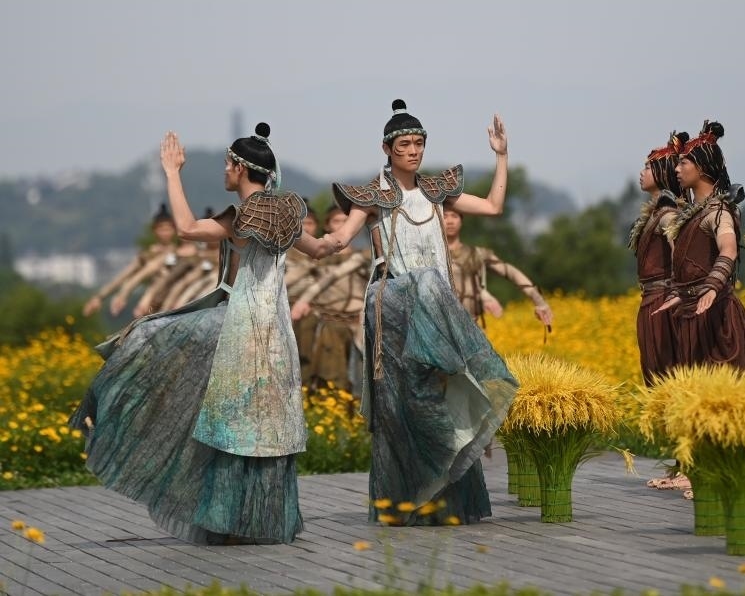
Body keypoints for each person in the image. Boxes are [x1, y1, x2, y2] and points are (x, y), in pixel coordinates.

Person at [69, 123, 344, 544]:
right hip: (276, 332)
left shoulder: (238, 217)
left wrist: (172, 172)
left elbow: (186, 228)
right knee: (267, 424)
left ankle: (228, 520)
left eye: (227, 164)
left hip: (239, 327)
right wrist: (358, 217)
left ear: (239, 168)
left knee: (219, 411)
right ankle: (261, 520)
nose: (224, 171)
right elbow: (323, 248)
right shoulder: (284, 216)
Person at [328, 99, 518, 526]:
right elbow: (338, 241)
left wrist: (501, 156)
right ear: (387, 149)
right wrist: (302, 242)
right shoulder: (373, 197)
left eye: (418, 144)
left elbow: (493, 207)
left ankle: (444, 502)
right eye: (404, 145)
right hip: (395, 309)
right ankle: (403, 502)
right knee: (401, 407)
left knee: (440, 401)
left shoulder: (436, 191)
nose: (413, 152)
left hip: (435, 310)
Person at [654, 120, 745, 369]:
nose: (676, 169)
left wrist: (711, 287)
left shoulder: (717, 213)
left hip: (716, 318)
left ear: (701, 168)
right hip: (692, 315)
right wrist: (680, 293)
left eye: (683, 163)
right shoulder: (693, 214)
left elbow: (729, 248)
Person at [629, 132, 687, 491]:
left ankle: (689, 465)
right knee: (660, 379)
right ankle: (680, 463)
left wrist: (680, 292)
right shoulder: (656, 213)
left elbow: (683, 252)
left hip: (665, 301)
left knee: (673, 378)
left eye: (648, 167)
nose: (642, 172)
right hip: (651, 300)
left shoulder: (668, 215)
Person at [291, 205, 371, 392]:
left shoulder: (365, 258)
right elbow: (298, 282)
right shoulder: (316, 260)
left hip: (358, 326)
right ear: (327, 225)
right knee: (329, 383)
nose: (342, 225)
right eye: (337, 221)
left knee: (361, 383)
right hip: (327, 326)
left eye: (346, 221)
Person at [443, 207, 553, 330]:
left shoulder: (477, 254)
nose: (450, 221)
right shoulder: (430, 255)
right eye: (444, 216)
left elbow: (509, 271)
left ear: (461, 220)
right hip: (438, 327)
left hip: (471, 328)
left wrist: (538, 300)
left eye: (454, 216)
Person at [82, 204, 179, 317]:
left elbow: (168, 275)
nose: (165, 233)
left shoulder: (176, 253)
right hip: (152, 305)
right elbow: (124, 275)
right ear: (154, 230)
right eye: (161, 229)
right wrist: (100, 297)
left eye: (168, 229)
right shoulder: (148, 254)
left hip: (173, 302)